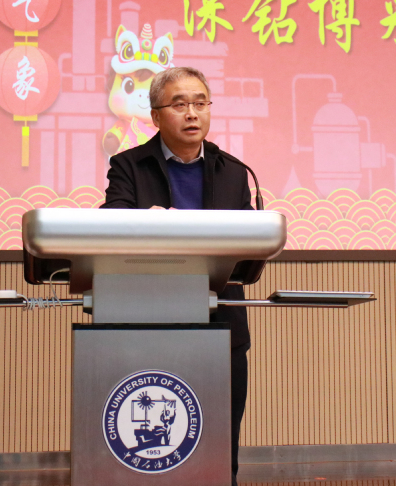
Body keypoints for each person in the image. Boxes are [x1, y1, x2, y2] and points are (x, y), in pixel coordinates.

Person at [101, 66, 253, 486]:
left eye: (200, 103)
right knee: (153, 437)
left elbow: (250, 240)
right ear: (155, 116)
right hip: (151, 318)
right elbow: (110, 225)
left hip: (222, 323)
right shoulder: (129, 166)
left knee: (221, 436)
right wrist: (143, 221)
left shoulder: (233, 170)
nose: (192, 113)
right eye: (180, 104)